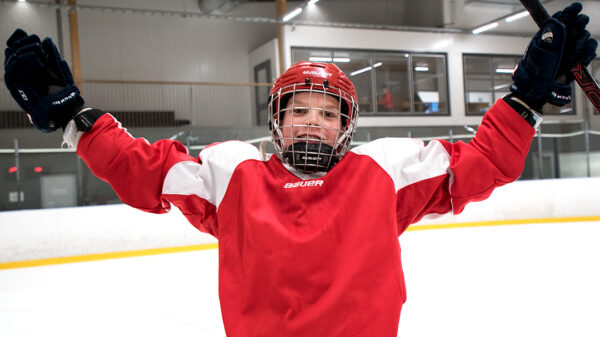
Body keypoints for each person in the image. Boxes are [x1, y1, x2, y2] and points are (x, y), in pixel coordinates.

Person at [3, 3, 596, 336]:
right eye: (300, 111)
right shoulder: (231, 173)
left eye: (327, 112)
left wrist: (525, 95)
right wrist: (76, 120)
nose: (313, 122)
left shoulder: (384, 171)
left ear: (347, 125)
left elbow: (484, 162)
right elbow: (144, 170)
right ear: (277, 122)